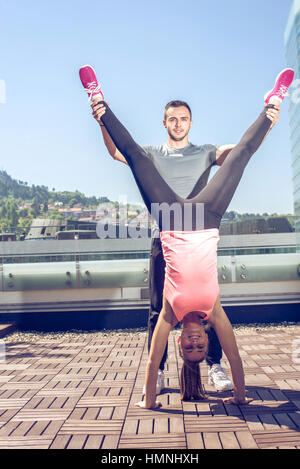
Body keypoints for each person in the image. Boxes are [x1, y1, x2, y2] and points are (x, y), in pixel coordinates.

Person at [79, 66, 294, 408]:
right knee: (237, 159)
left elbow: (239, 149)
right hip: (205, 218)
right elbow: (243, 155)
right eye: (172, 119)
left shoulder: (171, 313)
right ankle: (273, 102)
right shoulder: (214, 312)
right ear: (165, 122)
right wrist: (240, 396)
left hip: (171, 220)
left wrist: (149, 401)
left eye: (183, 118)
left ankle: (97, 98)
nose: (194, 340)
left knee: (142, 156)